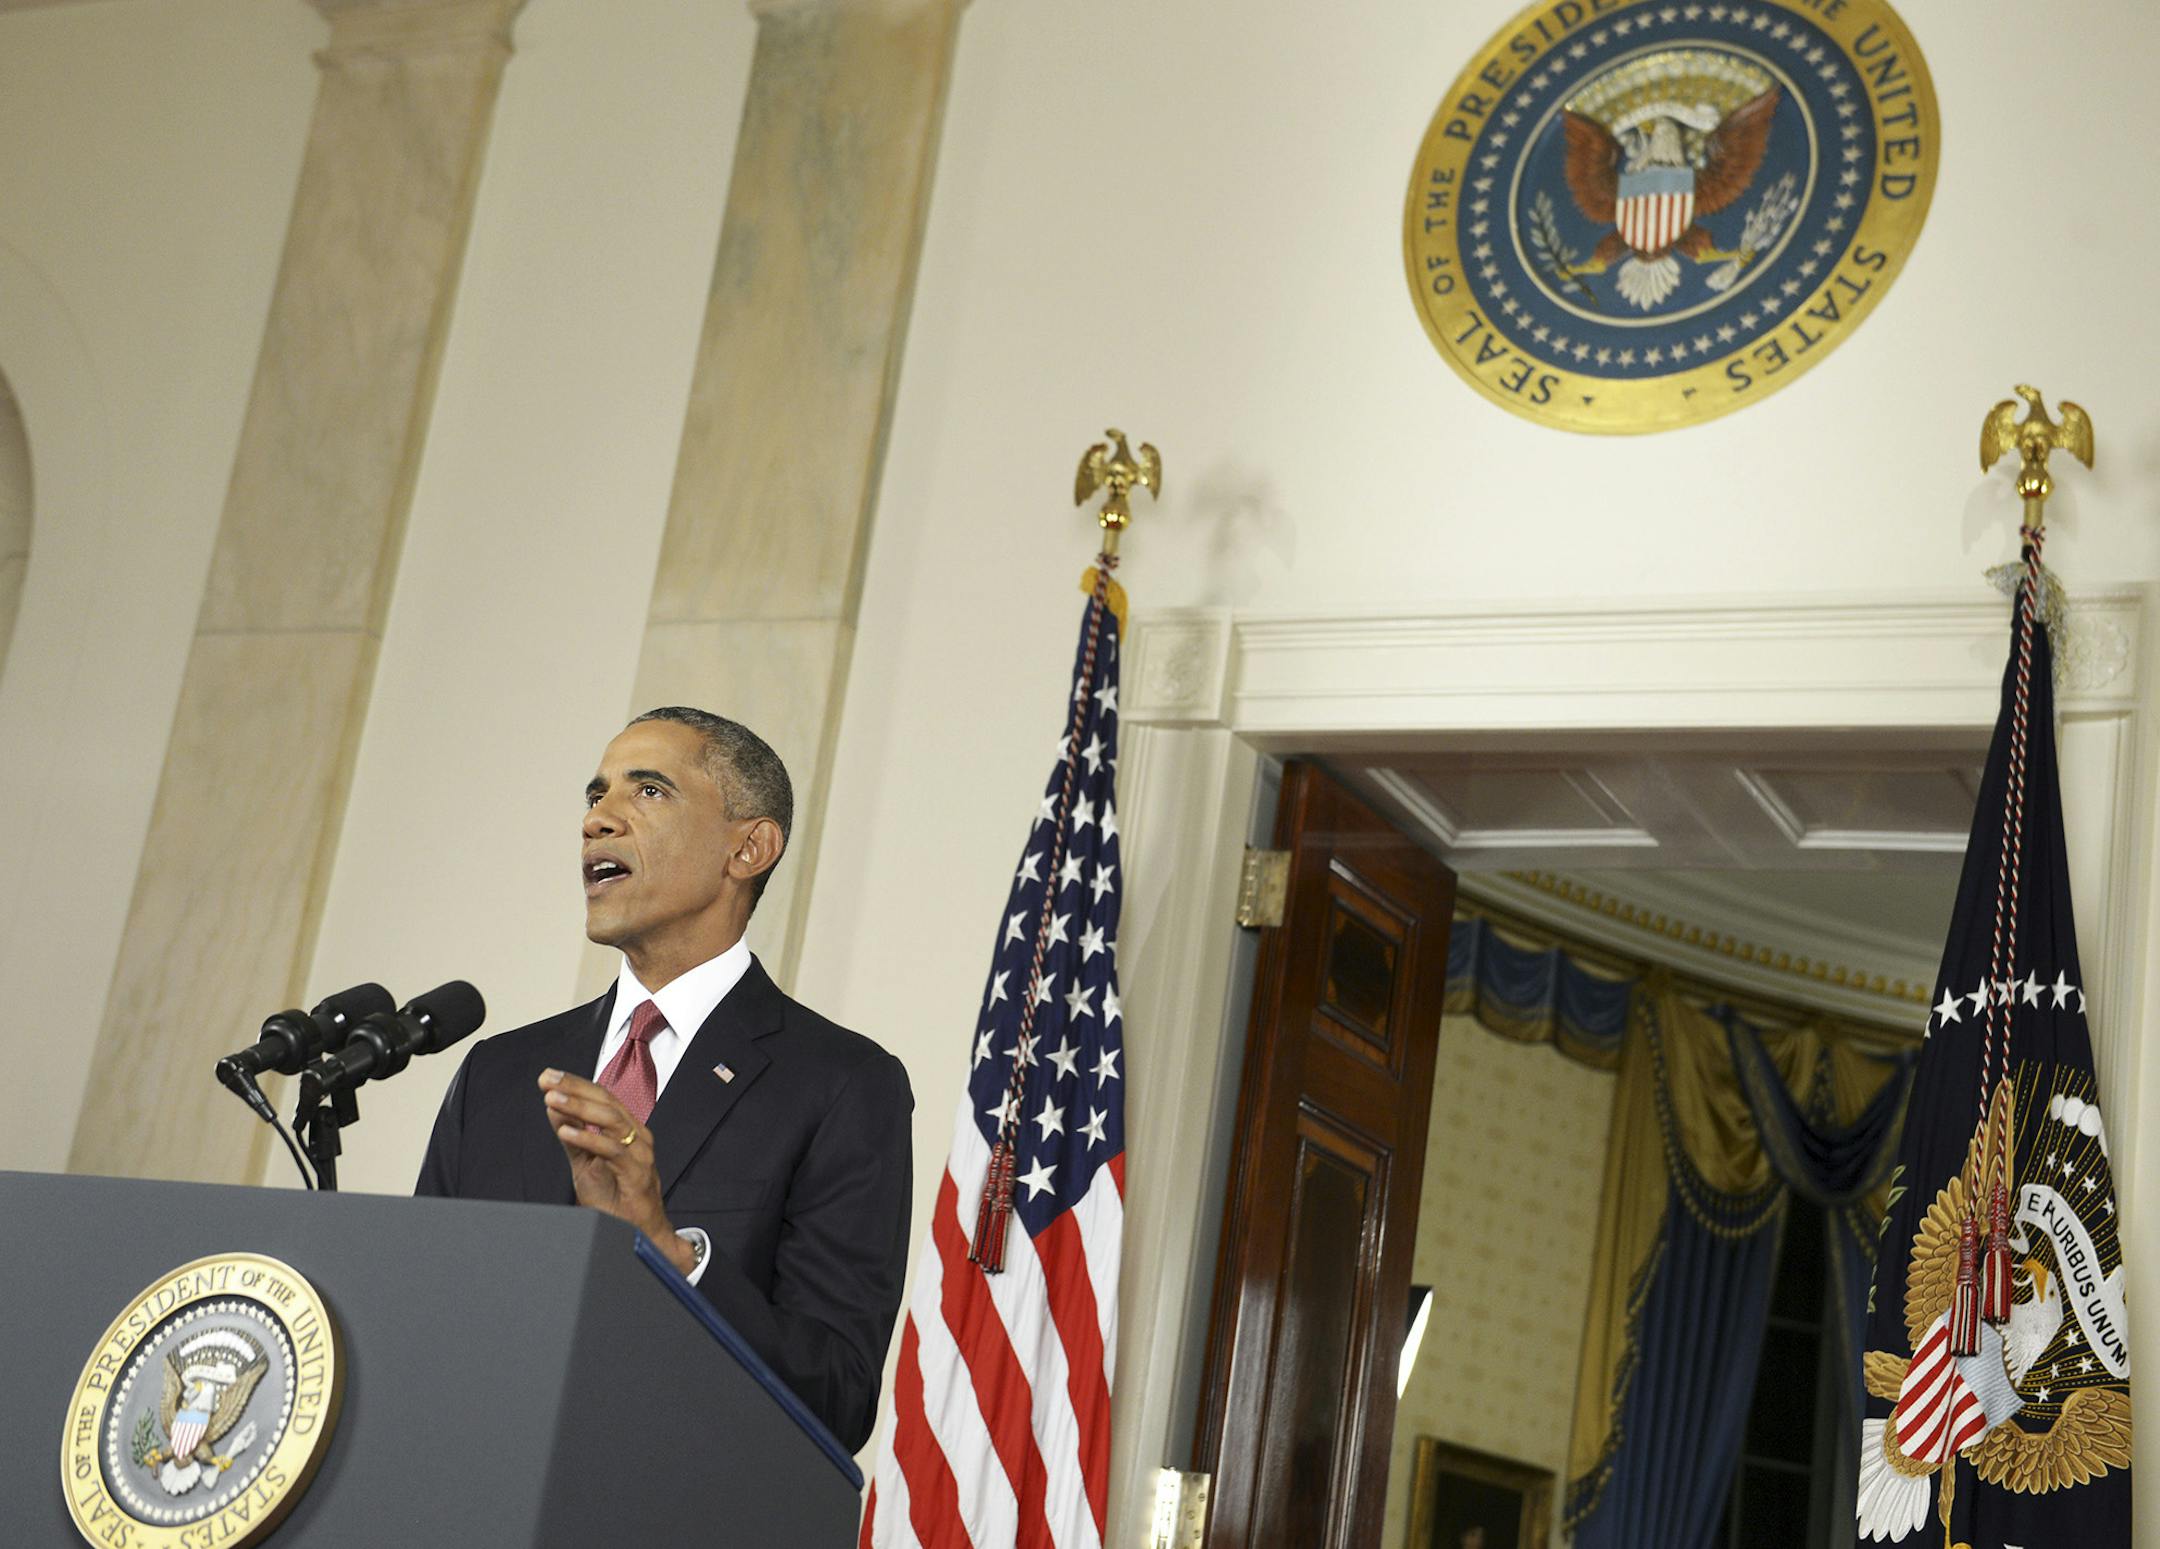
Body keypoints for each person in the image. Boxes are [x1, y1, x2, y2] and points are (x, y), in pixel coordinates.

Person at [416, 706, 913, 1451]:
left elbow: (838, 1395)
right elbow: (423, 1319)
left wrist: (672, 1252)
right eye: (595, 795)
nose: (597, 821)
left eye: (647, 791)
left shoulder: (842, 1083)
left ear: (749, 847)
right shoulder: (499, 1072)